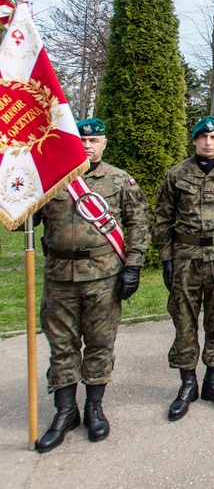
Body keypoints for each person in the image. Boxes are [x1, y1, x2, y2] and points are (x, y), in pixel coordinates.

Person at [36, 118, 151, 453]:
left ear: (104, 144)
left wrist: (134, 266)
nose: (87, 146)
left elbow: (139, 222)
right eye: (82, 141)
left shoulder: (118, 180)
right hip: (59, 276)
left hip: (103, 275)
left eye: (94, 141)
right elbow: (24, 225)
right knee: (62, 345)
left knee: (100, 343)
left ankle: (94, 407)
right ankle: (65, 412)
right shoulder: (53, 179)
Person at [154, 116, 214, 421]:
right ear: (194, 140)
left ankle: (213, 380)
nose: (208, 142)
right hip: (185, 258)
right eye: (202, 137)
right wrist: (167, 259)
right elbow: (162, 219)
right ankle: (187, 384)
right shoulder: (176, 175)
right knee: (184, 322)